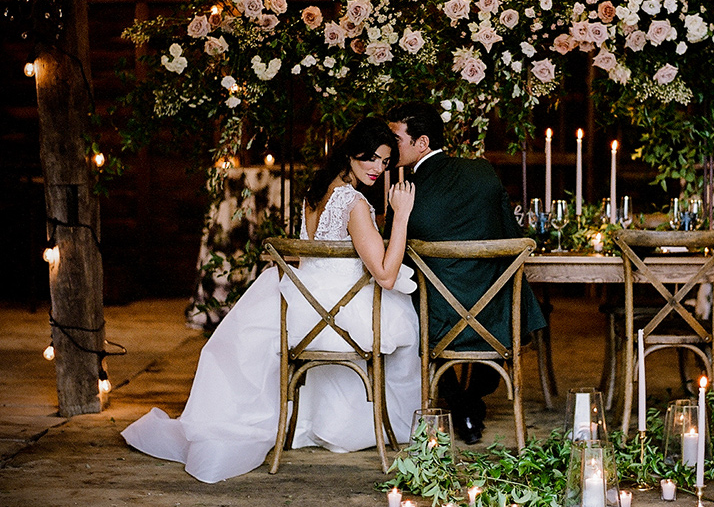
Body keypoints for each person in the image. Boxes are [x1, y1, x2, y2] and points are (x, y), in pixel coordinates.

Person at [121, 117, 421, 483]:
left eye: (386, 162)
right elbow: (386, 276)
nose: (378, 168)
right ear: (350, 153)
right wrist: (402, 215)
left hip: (304, 311)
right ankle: (387, 425)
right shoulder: (354, 203)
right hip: (336, 315)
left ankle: (326, 422)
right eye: (370, 158)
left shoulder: (318, 192)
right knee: (404, 316)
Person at [386, 101, 545, 444]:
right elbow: (512, 240)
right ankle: (469, 402)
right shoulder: (483, 173)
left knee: (402, 303)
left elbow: (393, 259)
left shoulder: (405, 194)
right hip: (495, 320)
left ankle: (459, 402)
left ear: (422, 143)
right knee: (507, 301)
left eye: (395, 137)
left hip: (434, 322)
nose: (386, 145)